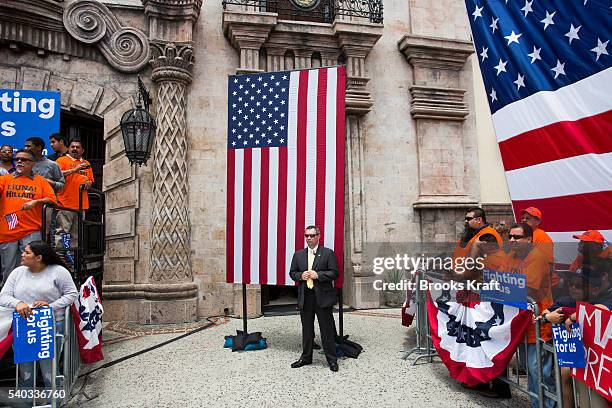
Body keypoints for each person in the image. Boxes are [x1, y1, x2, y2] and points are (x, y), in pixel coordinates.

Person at [0, 241, 77, 393]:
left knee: (48, 367)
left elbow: (72, 294)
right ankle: (27, 399)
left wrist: (50, 306)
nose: (22, 254)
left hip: (50, 325)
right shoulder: (17, 272)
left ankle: (54, 399)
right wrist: (18, 303)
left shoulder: (59, 272)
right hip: (23, 326)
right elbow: (3, 296)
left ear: (39, 258)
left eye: (27, 252)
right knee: (25, 368)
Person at [498, 222, 556, 408]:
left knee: (540, 371)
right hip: (522, 322)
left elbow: (527, 288)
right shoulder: (511, 256)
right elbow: (499, 278)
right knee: (530, 368)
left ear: (529, 239)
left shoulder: (537, 257)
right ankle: (536, 404)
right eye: (511, 237)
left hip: (539, 322)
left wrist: (501, 288)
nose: (512, 240)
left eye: (517, 237)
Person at [0, 150, 56, 283]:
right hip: (8, 230)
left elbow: (53, 200)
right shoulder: (5, 179)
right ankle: (7, 298)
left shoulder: (40, 181)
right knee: (8, 269)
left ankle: (26, 296)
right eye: (17, 159)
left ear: (32, 164)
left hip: (31, 230)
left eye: (24, 160)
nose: (19, 162)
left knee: (30, 267)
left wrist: (36, 201)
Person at [289, 225, 339, 372]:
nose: (309, 238)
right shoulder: (298, 255)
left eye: (311, 235)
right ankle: (306, 357)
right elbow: (292, 273)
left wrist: (319, 275)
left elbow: (335, 273)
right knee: (307, 330)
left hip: (322, 297)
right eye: (306, 236)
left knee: (326, 330)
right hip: (306, 296)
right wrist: (300, 276)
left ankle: (332, 360)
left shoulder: (328, 253)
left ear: (318, 236)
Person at [55, 138, 94, 249]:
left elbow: (91, 180)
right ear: (68, 149)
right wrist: (74, 170)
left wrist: (88, 183)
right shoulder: (61, 160)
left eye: (78, 147)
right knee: (62, 234)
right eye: (73, 147)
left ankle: (72, 262)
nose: (75, 149)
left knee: (76, 236)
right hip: (65, 204)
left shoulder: (86, 163)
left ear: (82, 150)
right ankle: (61, 260)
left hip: (81, 205)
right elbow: (56, 175)